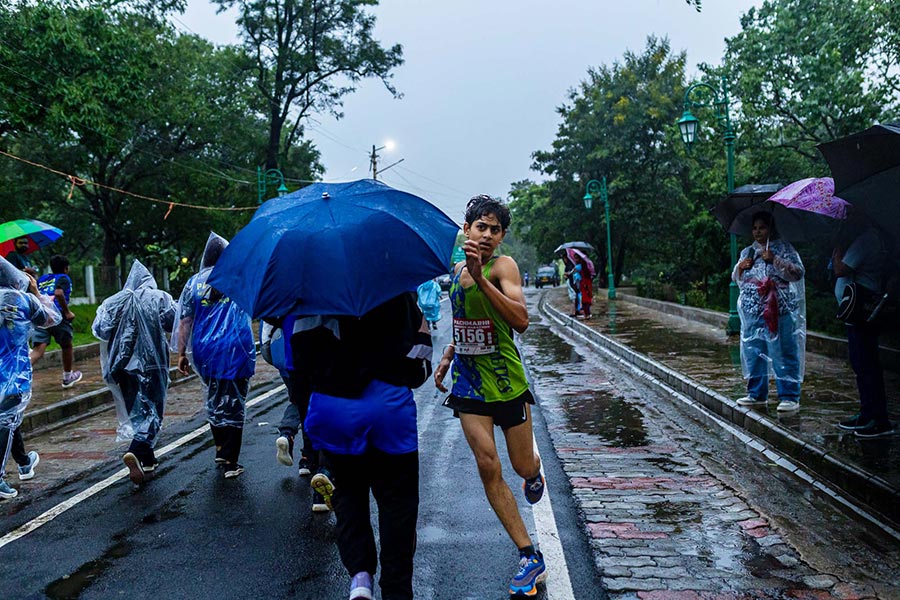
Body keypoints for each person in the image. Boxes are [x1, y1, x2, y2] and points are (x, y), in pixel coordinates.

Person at [434, 194, 547, 597]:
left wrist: (483, 278)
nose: (485, 234)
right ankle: (528, 555)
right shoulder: (456, 268)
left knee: (519, 467)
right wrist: (448, 354)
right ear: (467, 230)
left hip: (506, 382)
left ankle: (534, 472)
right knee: (487, 463)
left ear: (501, 237)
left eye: (494, 229)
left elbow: (521, 321)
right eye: (479, 226)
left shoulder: (503, 267)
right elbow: (465, 320)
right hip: (469, 382)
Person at [292, 292, 432, 600]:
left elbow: (298, 364)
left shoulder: (314, 297)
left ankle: (360, 578)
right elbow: (420, 359)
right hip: (388, 412)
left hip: (333, 412)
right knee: (398, 505)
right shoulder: (399, 293)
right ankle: (396, 589)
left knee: (349, 496)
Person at [173, 234, 256, 479]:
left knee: (215, 397)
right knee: (235, 401)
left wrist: (180, 354)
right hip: (236, 346)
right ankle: (231, 460)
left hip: (204, 350)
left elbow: (185, 321)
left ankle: (220, 449)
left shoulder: (193, 283)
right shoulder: (238, 277)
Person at [92, 260, 176, 485]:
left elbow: (100, 329)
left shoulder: (112, 302)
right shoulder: (159, 297)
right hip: (153, 364)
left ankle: (147, 460)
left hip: (121, 367)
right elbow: (173, 322)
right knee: (154, 412)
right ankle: (136, 449)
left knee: (137, 413)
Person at [732, 212, 805, 413]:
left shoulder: (784, 249)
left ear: (771, 229)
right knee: (753, 351)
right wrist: (740, 267)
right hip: (752, 311)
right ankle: (756, 394)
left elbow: (797, 273)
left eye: (762, 227)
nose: (757, 232)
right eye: (755, 228)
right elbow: (737, 279)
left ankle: (789, 395)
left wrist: (775, 260)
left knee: (783, 351)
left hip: (779, 310)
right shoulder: (748, 252)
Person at [0, 257, 60, 500]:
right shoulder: (21, 300)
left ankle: (24, 462)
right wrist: (35, 291)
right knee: (5, 421)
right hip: (14, 374)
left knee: (8, 419)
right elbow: (50, 318)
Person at [833, 214, 895, 438]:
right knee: (862, 364)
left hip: (861, 310)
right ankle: (867, 413)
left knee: (866, 364)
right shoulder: (869, 238)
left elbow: (841, 269)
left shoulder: (866, 240)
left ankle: (878, 419)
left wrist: (838, 247)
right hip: (856, 312)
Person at [30, 254, 83, 388]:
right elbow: (59, 293)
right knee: (66, 345)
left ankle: (17, 374)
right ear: (66, 268)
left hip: (40, 315)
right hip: (56, 315)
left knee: (38, 349)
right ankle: (67, 377)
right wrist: (67, 312)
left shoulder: (43, 278)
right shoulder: (64, 278)